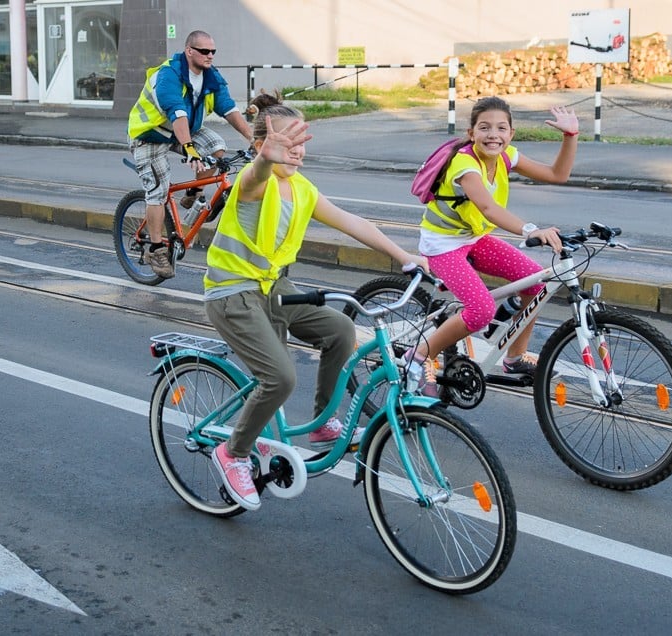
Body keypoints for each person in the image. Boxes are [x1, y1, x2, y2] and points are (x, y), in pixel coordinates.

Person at [205, 91, 428, 511]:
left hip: (273, 288)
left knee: (341, 329)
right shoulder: (254, 184)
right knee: (280, 378)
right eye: (287, 143)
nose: (297, 151)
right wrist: (265, 160)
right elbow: (254, 178)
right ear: (262, 146)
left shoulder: (302, 189)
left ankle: (324, 423)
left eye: (301, 142)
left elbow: (352, 222)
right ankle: (232, 452)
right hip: (233, 292)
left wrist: (405, 257)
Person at [406, 97, 578, 392]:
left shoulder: (506, 156)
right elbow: (487, 208)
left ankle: (514, 357)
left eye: (501, 128)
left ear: (511, 134)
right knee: (481, 310)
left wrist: (570, 136)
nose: (493, 135)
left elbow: (557, 174)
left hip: (474, 239)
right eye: (484, 128)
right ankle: (418, 356)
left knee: (536, 283)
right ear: (472, 133)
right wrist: (530, 230)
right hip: (443, 246)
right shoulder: (464, 163)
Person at [127, 30, 253, 279]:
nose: (210, 56)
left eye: (213, 51)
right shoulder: (169, 75)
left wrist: (253, 139)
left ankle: (194, 193)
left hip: (183, 131)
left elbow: (228, 108)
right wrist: (190, 150)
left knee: (217, 149)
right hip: (150, 134)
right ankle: (155, 248)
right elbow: (177, 113)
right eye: (205, 51)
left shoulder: (210, 76)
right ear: (189, 51)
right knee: (158, 191)